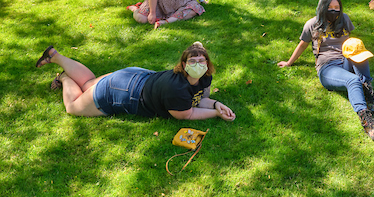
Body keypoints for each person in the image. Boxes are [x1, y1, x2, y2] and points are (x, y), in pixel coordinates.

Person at [277, 0, 374, 140]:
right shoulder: (312, 24)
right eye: (330, 7)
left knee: (359, 50)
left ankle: (369, 95)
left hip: (346, 60)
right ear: (322, 7)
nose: (334, 11)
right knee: (353, 80)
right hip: (327, 67)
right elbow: (303, 44)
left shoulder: (344, 19)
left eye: (337, 7)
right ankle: (368, 121)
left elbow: (351, 42)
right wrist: (289, 62)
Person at [35, 42, 236, 120]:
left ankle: (55, 56)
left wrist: (218, 104)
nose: (198, 65)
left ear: (207, 64)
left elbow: (198, 99)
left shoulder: (204, 76)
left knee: (90, 84)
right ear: (183, 65)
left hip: (136, 75)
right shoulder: (176, 89)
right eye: (193, 61)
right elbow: (186, 114)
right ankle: (64, 77)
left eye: (202, 61)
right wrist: (216, 114)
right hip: (125, 91)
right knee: (73, 107)